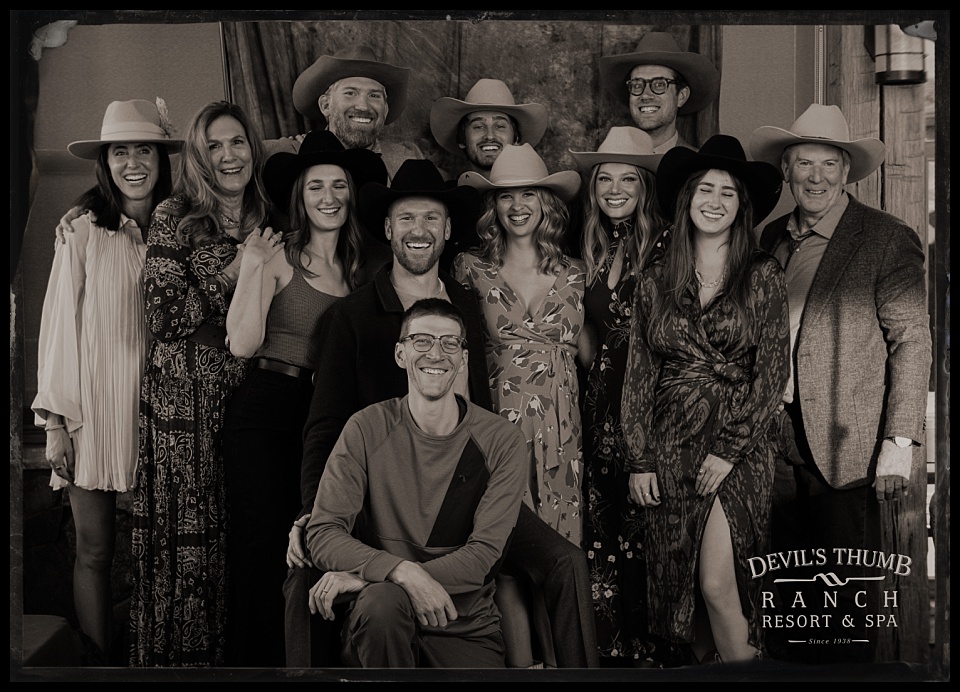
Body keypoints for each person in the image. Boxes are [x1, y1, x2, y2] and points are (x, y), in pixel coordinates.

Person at [284, 158, 598, 669]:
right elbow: (325, 426)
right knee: (305, 569)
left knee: (563, 559)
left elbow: (479, 400)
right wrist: (311, 512)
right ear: (388, 229)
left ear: (448, 229)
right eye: (406, 218)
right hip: (383, 496)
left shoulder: (468, 304)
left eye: (431, 218)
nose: (419, 230)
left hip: (468, 481)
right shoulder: (353, 316)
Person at [749, 104, 932, 665]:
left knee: (843, 606)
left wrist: (898, 444)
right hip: (774, 442)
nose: (817, 176)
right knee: (782, 601)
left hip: (848, 448)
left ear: (847, 170)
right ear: (787, 168)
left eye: (830, 163)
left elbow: (913, 341)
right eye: (805, 162)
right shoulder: (771, 235)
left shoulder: (886, 238)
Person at [221, 129, 388, 667]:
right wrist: (249, 265)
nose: (329, 196)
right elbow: (242, 344)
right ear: (300, 195)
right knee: (263, 546)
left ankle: (313, 661)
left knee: (317, 541)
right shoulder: (275, 254)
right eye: (316, 186)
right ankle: (257, 666)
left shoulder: (365, 270)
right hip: (269, 407)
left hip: (329, 419)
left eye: (339, 185)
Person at [621, 134, 789, 665]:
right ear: (687, 198)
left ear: (742, 208)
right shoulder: (654, 278)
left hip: (738, 445)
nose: (714, 201)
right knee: (684, 594)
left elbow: (773, 372)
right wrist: (639, 458)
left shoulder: (761, 274)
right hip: (670, 444)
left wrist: (730, 449)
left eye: (728, 193)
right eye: (705, 190)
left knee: (719, 582)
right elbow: (639, 375)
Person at [128, 100, 277, 667]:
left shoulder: (268, 216)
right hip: (181, 402)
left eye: (236, 141)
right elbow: (163, 314)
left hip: (243, 396)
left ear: (252, 148)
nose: (227, 155)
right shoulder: (176, 214)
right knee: (188, 540)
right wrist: (237, 271)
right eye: (213, 145)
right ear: (197, 154)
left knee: (235, 537)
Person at [32, 98, 180, 665]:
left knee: (161, 553)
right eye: (121, 151)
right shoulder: (84, 231)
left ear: (161, 158)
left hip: (166, 415)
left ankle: (156, 657)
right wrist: (55, 423)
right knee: (94, 551)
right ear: (106, 161)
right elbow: (58, 327)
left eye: (144, 149)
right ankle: (99, 665)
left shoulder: (182, 227)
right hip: (94, 412)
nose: (133, 162)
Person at [304, 298, 527, 668]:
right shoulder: (365, 428)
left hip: (462, 622)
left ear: (463, 359)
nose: (436, 354)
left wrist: (365, 578)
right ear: (400, 353)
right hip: (382, 619)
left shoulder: (502, 441)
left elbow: (482, 557)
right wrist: (400, 572)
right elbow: (323, 532)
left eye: (449, 343)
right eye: (422, 341)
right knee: (382, 603)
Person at [567, 125, 681, 666]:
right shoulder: (590, 244)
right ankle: (611, 655)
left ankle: (654, 653)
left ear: (645, 186)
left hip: (652, 409)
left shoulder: (669, 244)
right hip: (598, 409)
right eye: (604, 178)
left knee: (649, 531)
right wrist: (599, 393)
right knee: (603, 532)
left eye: (627, 179)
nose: (614, 188)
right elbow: (588, 337)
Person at [454, 143, 587, 546]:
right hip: (498, 419)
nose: (517, 205)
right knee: (503, 542)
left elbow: (592, 354)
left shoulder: (577, 273)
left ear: (546, 202)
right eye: (505, 196)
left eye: (528, 193)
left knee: (560, 546)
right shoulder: (470, 268)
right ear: (493, 206)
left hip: (562, 428)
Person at [429, 77, 549, 270]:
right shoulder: (443, 202)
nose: (490, 135)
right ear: (461, 139)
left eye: (500, 126)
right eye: (478, 126)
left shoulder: (543, 203)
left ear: (516, 138)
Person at [271, 44, 424, 180]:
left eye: (374, 95)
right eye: (350, 93)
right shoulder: (286, 153)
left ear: (385, 109)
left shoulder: (407, 159)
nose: (363, 106)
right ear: (325, 105)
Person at [598, 31, 720, 152]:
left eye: (659, 84)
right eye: (637, 85)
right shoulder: (611, 164)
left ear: (681, 96)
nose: (645, 95)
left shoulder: (699, 168)